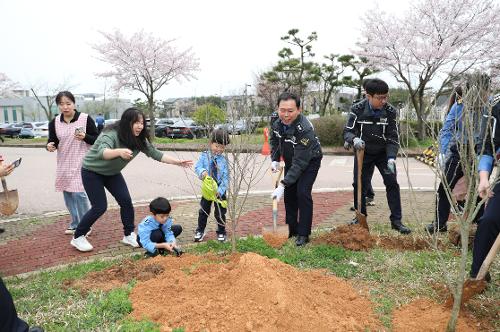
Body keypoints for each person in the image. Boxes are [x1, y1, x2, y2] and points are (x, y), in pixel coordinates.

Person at [70, 108, 192, 252]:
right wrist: (119, 152)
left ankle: (128, 234)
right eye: (136, 122)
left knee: (126, 201)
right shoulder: (111, 134)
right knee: (100, 206)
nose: (140, 126)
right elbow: (103, 152)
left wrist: (177, 162)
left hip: (112, 173)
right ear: (127, 123)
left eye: (142, 123)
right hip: (92, 172)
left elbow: (156, 154)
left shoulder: (139, 139)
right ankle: (78, 236)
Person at [343, 78, 411, 234]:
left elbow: (393, 137)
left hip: (383, 153)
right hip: (363, 152)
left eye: (385, 96)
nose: (384, 100)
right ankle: (360, 216)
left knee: (392, 183)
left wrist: (391, 157)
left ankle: (396, 221)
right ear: (368, 96)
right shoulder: (357, 109)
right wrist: (353, 139)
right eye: (379, 98)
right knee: (360, 184)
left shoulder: (390, 111)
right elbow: (348, 131)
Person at [425, 81, 485, 234]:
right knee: (445, 187)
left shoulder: (489, 108)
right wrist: (443, 151)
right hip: (458, 151)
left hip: (479, 152)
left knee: (478, 189)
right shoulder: (459, 107)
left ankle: (479, 222)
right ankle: (440, 223)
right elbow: (447, 129)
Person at [270, 92, 323, 246]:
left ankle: (304, 234)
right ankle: (292, 229)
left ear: (299, 110)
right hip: (291, 159)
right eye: (282, 110)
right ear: (278, 108)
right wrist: (274, 159)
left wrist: (282, 184)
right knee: (290, 195)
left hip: (309, 160)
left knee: (302, 192)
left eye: (290, 111)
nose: (285, 114)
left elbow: (300, 163)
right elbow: (274, 140)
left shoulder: (305, 128)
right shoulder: (276, 120)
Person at [47, 91, 98, 235]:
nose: (65, 107)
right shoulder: (55, 122)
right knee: (68, 193)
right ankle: (75, 222)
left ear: (74, 104)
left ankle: (85, 224)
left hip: (82, 161)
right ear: (58, 106)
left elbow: (96, 139)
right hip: (64, 162)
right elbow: (53, 140)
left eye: (68, 103)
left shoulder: (85, 119)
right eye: (61, 104)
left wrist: (85, 137)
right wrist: (50, 145)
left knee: (79, 193)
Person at [470, 93, 500, 281]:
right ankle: (477, 276)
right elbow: (487, 147)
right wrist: (483, 177)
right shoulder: (496, 105)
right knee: (489, 221)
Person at [194, 129, 230, 242]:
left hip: (219, 189)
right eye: (217, 146)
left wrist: (221, 190)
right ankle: (200, 230)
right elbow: (197, 167)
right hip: (208, 189)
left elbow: (226, 177)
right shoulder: (204, 156)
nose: (219, 150)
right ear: (211, 144)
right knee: (203, 211)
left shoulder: (224, 161)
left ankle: (221, 231)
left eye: (222, 147)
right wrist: (202, 172)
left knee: (220, 213)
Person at [348, 79, 375, 210]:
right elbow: (350, 126)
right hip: (357, 142)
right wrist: (349, 139)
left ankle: (368, 196)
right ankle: (359, 205)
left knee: (364, 176)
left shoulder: (379, 105)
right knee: (358, 176)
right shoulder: (357, 105)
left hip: (372, 146)